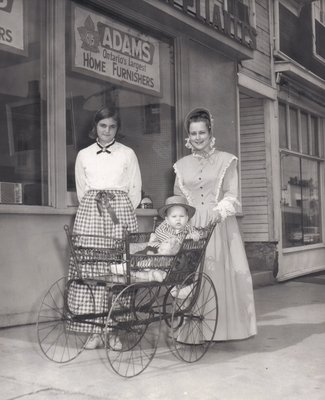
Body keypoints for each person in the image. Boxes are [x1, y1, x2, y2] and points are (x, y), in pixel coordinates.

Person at [173, 107, 257, 341]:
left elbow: (232, 194)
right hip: (190, 226)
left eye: (202, 132)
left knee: (219, 271)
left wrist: (218, 213)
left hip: (218, 224)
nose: (197, 138)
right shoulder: (181, 165)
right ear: (188, 136)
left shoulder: (226, 160)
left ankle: (223, 329)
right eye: (193, 133)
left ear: (210, 133)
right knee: (193, 274)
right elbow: (178, 197)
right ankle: (193, 331)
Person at [69, 104, 142, 350]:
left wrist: (120, 214)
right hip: (91, 214)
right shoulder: (83, 155)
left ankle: (114, 331)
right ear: (95, 127)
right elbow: (82, 192)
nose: (107, 131)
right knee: (92, 270)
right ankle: (94, 331)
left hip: (118, 215)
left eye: (112, 126)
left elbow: (134, 190)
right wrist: (93, 212)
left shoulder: (128, 154)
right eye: (103, 126)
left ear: (117, 128)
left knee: (117, 271)